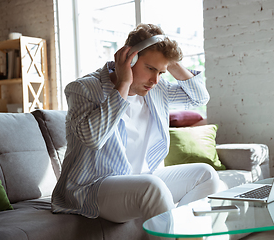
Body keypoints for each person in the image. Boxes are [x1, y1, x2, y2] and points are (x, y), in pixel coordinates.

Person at [51, 23, 221, 238]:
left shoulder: (156, 90)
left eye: (161, 72)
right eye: (151, 68)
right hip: (92, 186)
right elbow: (92, 138)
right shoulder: (84, 88)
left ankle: (180, 233)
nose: (155, 80)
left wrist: (170, 61)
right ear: (129, 58)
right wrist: (123, 82)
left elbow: (200, 97)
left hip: (141, 179)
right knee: (152, 186)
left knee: (206, 175)